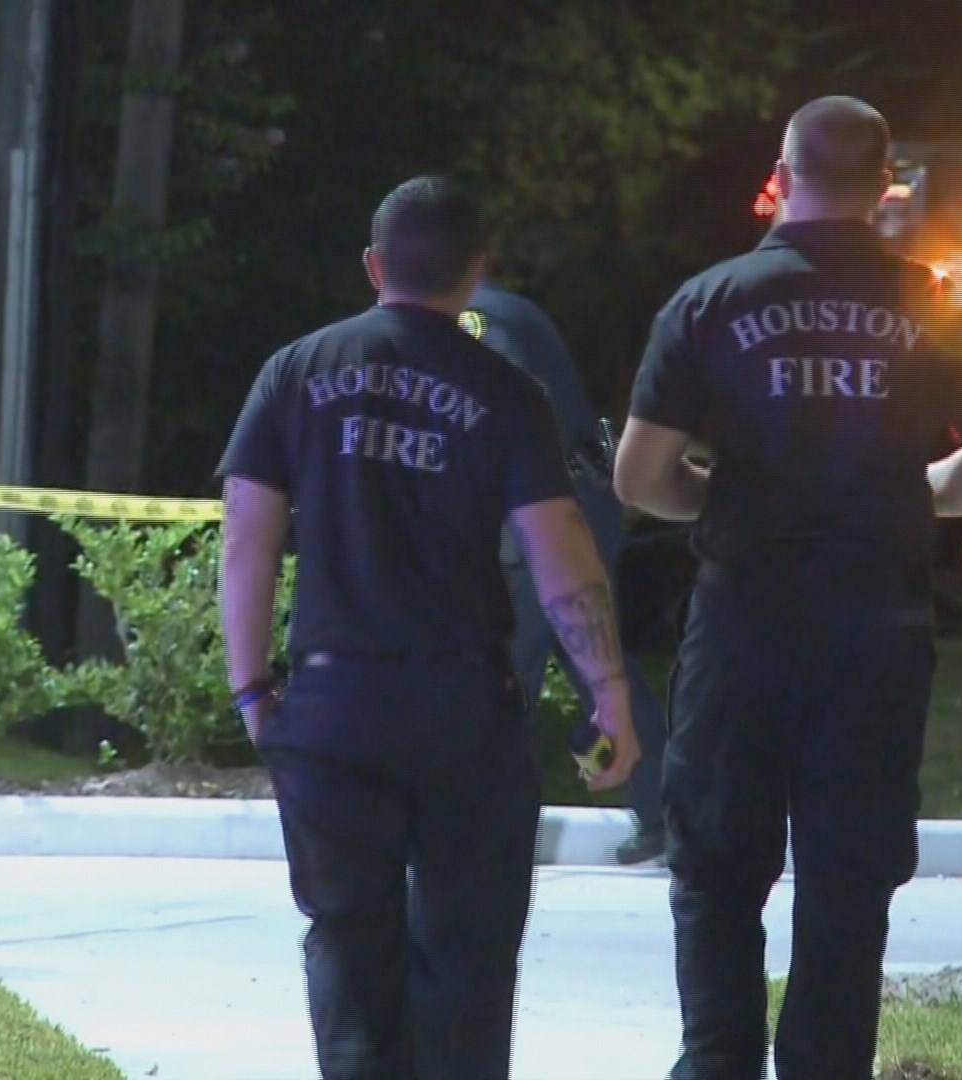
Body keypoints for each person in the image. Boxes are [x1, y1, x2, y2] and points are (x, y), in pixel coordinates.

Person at [613, 96, 962, 1080]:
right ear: (888, 182)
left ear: (783, 170)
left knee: (717, 862)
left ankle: (716, 1062)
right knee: (850, 871)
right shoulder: (936, 302)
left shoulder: (710, 300)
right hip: (875, 626)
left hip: (742, 619)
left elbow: (640, 478)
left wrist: (708, 502)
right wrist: (926, 489)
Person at [214, 175, 641, 1080]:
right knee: (470, 962)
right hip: (464, 712)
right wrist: (608, 693)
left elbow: (248, 540)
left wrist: (253, 689)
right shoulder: (507, 392)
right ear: (476, 272)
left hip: (333, 706)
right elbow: (559, 547)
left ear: (373, 265)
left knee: (348, 945)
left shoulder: (294, 372)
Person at [459, 280, 671, 864]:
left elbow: (514, 422)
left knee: (506, 674)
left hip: (547, 515)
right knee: (592, 664)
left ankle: (492, 832)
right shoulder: (497, 309)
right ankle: (669, 813)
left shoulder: (474, 320)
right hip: (570, 502)